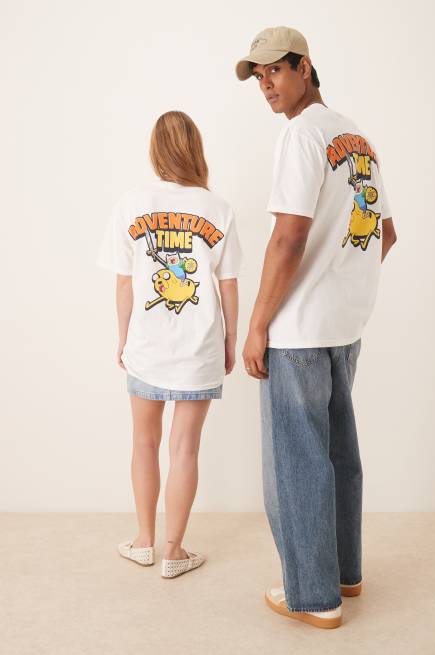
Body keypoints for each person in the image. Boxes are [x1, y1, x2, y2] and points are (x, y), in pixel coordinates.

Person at [236, 26, 397, 629]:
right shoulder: (357, 138)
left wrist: (258, 324)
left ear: (305, 66)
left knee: (298, 464)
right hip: (345, 325)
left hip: (300, 330)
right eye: (258, 77)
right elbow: (385, 233)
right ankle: (345, 573)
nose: (266, 86)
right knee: (336, 454)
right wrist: (343, 281)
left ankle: (313, 596)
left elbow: (288, 236)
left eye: (275, 71)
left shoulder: (302, 134)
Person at [96, 110, 243, 579]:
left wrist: (124, 337)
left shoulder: (131, 204)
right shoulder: (217, 208)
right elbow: (228, 284)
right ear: (195, 148)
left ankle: (144, 541)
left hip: (147, 345)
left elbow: (124, 283)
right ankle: (174, 551)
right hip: (200, 348)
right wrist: (231, 339)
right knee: (184, 449)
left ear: (155, 150)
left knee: (144, 441)